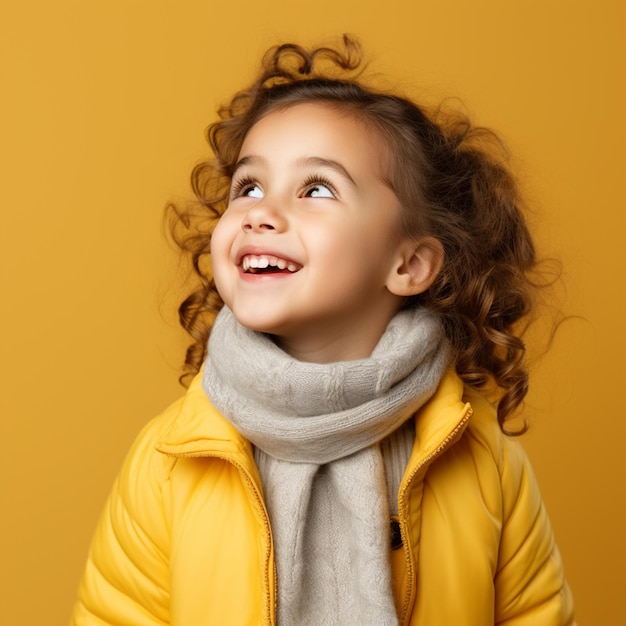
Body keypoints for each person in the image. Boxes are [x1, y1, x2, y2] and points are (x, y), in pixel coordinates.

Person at [71, 36, 575, 625]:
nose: (260, 211)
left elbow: (535, 615)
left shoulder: (481, 456)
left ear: (409, 265)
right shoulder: (170, 459)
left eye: (316, 189)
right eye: (249, 186)